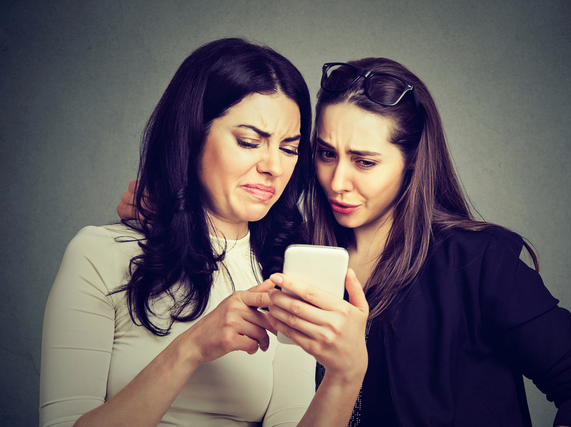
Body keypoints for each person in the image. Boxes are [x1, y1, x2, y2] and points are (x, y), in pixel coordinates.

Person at [264, 59, 571, 426]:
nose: (338, 181)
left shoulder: (479, 262)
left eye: (365, 162)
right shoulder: (293, 256)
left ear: (411, 161)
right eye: (327, 154)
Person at [40, 38, 367, 427]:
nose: (273, 167)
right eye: (249, 142)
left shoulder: (285, 273)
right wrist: (191, 348)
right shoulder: (100, 254)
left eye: (289, 148)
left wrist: (346, 376)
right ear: (192, 135)